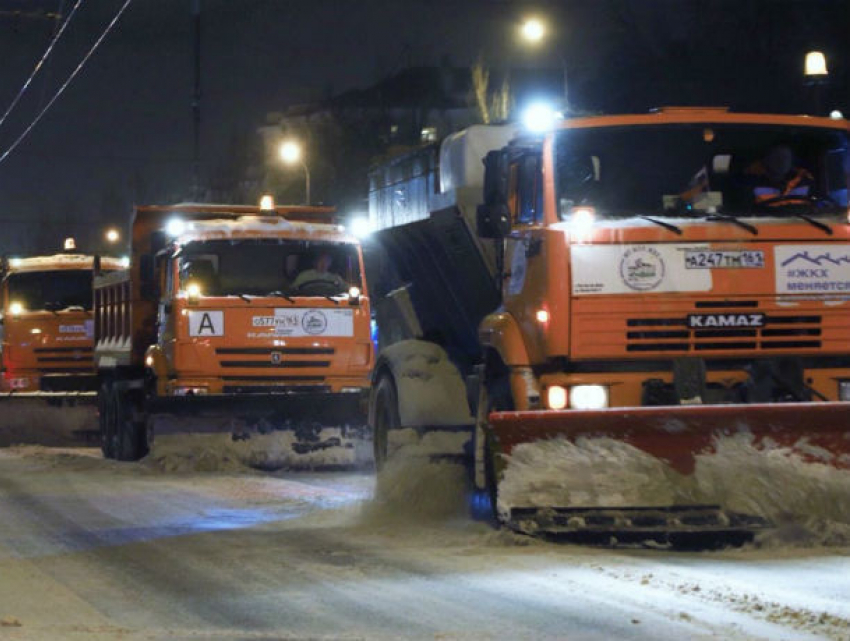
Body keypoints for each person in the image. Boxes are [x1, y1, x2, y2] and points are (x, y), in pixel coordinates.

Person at [746, 144, 814, 204]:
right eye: (777, 157)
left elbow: (818, 207)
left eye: (786, 158)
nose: (782, 161)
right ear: (767, 159)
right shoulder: (752, 182)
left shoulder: (805, 181)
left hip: (801, 217)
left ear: (791, 161)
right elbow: (744, 211)